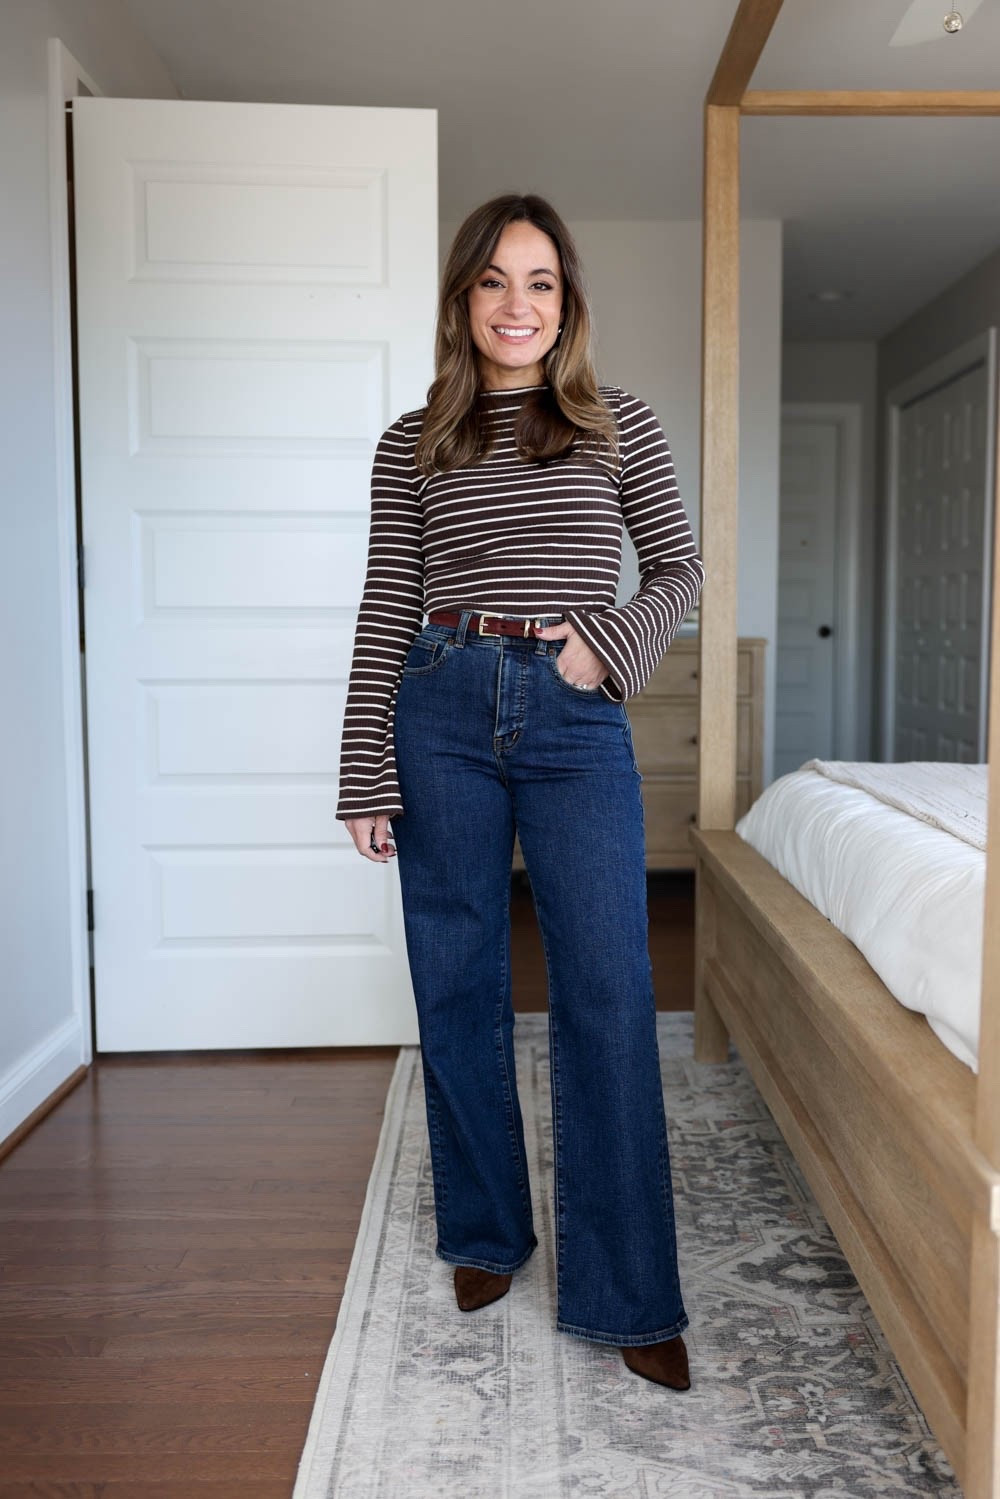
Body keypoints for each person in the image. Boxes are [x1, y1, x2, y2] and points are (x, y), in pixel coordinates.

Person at [336, 193, 704, 1391]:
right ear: (462, 300)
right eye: (494, 281)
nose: (516, 304)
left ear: (567, 302)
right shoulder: (412, 443)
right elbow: (387, 605)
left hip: (569, 709)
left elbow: (681, 565)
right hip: (438, 704)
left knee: (605, 982)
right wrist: (362, 764)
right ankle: (487, 1232)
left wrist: (604, 640)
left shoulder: (616, 422)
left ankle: (626, 1288)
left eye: (539, 282)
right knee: (457, 978)